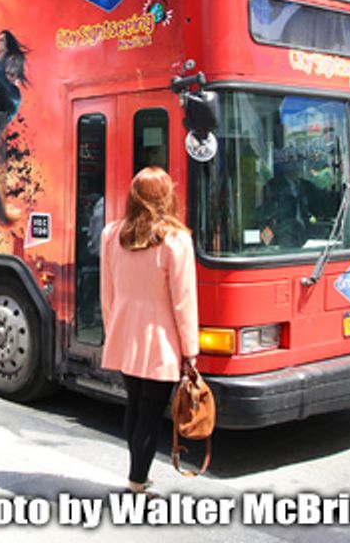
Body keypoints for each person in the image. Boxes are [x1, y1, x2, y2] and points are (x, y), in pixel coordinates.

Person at [100, 167, 199, 493]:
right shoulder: (176, 240)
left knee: (135, 404)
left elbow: (107, 290)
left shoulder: (111, 234)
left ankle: (137, 473)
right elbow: (183, 301)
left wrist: (111, 326)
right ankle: (137, 480)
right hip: (161, 338)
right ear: (166, 196)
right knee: (151, 412)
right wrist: (191, 350)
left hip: (124, 330)